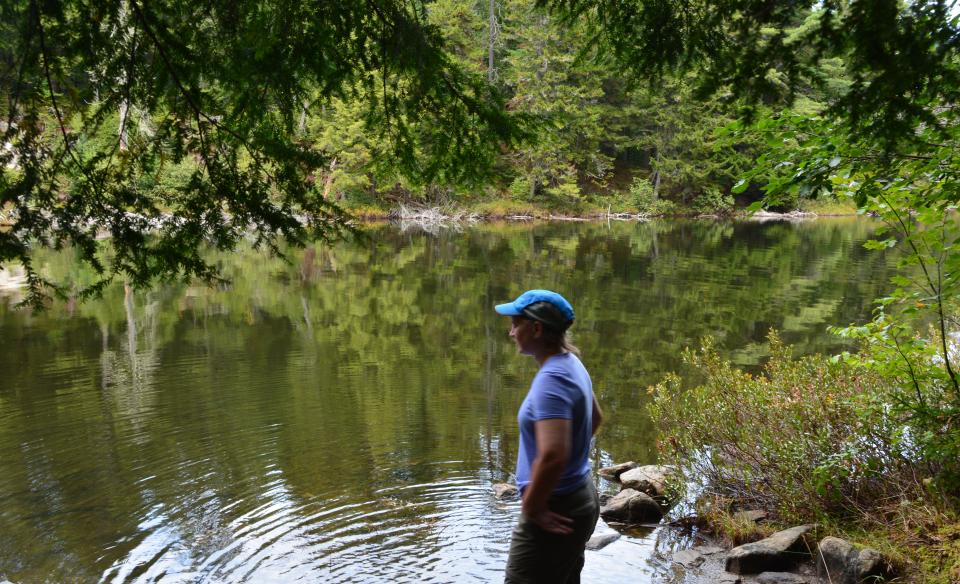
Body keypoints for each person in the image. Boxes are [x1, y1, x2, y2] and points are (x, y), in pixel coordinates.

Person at [494, 289, 603, 584]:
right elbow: (595, 419)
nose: (511, 332)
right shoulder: (571, 363)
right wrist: (572, 465)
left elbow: (554, 453)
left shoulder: (552, 379)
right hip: (580, 495)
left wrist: (533, 506)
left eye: (516, 324)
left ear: (537, 328)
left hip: (556, 506)